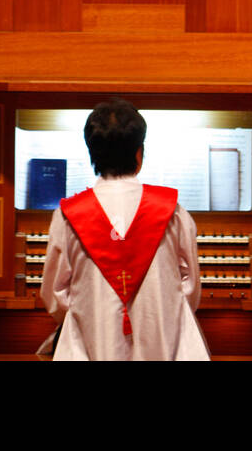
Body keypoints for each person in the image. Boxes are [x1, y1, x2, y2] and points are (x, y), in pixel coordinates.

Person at [39, 98, 210, 361]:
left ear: (91, 153)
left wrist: (89, 320)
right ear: (138, 153)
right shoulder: (173, 212)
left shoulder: (67, 216)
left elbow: (55, 296)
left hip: (90, 349)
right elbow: (190, 290)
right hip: (165, 349)